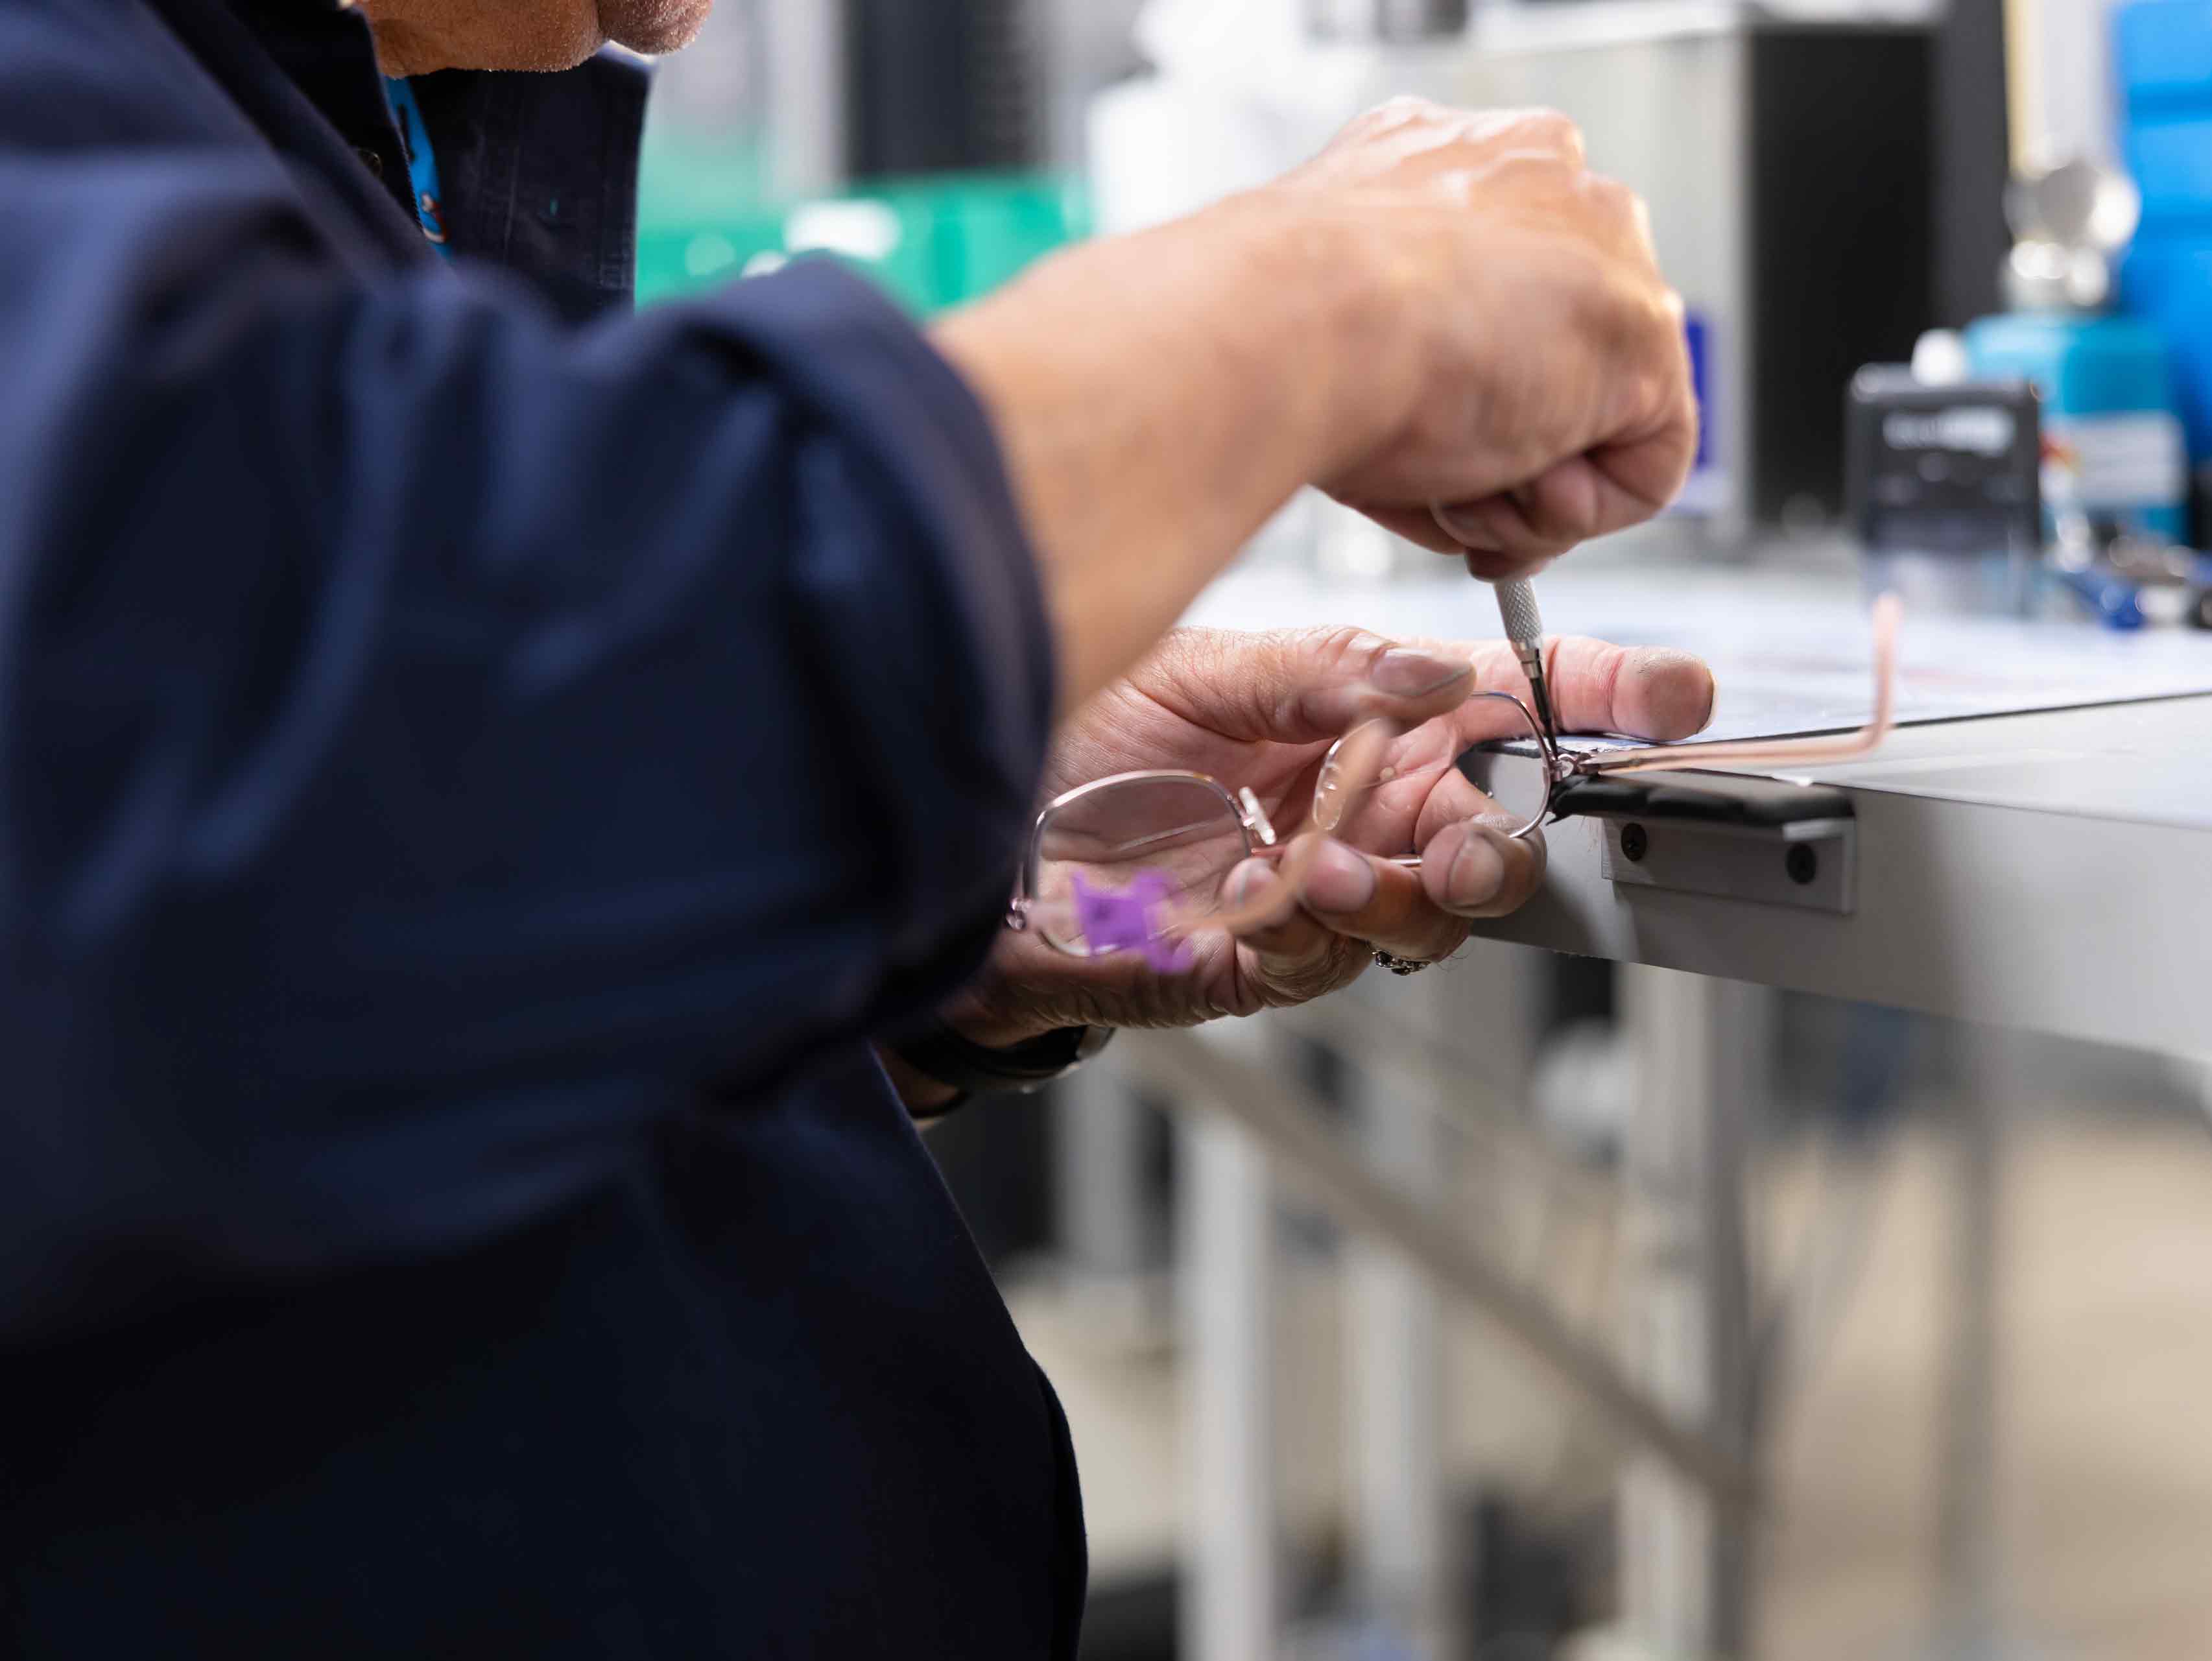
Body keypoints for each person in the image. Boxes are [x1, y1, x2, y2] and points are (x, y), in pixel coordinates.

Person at [0, 0, 1711, 1654]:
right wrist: (1339, 288)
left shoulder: (329, 123)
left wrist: (946, 912)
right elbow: (324, 768)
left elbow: (367, 936)